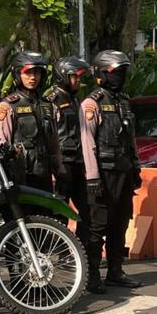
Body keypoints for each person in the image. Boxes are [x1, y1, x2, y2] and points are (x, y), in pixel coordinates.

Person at [80, 50, 143, 294]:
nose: (120, 77)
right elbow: (88, 143)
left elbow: (131, 139)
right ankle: (92, 275)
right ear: (102, 74)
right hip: (103, 174)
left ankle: (115, 271)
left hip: (124, 170)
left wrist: (136, 166)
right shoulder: (91, 103)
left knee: (120, 222)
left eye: (123, 72)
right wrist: (93, 176)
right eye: (116, 72)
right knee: (98, 226)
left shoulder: (123, 101)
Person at [0, 51, 58, 192]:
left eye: (37, 73)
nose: (33, 77)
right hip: (20, 176)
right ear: (17, 74)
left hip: (44, 174)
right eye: (28, 73)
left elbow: (54, 143)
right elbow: (2, 144)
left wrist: (60, 169)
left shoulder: (47, 105)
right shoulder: (8, 106)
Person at [44, 56, 93, 243]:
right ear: (63, 76)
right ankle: (62, 253)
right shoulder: (52, 101)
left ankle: (84, 252)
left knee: (87, 210)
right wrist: (55, 168)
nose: (78, 81)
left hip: (78, 163)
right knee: (59, 213)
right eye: (75, 77)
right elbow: (49, 136)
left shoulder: (74, 99)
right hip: (62, 164)